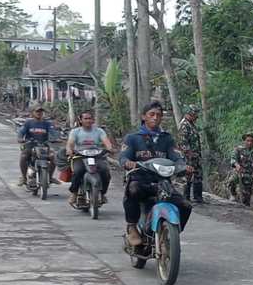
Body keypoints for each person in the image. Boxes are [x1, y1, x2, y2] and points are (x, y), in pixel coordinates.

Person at [119, 101, 192, 248]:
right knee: (133, 189)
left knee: (185, 205)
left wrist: (183, 166)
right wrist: (128, 162)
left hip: (161, 181)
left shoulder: (167, 138)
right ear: (144, 117)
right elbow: (123, 156)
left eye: (158, 115)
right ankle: (131, 227)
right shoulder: (133, 138)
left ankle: (171, 233)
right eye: (151, 114)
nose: (155, 117)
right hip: (140, 179)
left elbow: (175, 156)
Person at [65, 110, 116, 207]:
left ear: (93, 120)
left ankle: (103, 193)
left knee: (105, 171)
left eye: (90, 118)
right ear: (80, 120)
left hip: (97, 155)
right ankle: (74, 193)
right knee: (77, 171)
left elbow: (106, 142)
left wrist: (110, 148)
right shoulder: (75, 132)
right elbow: (70, 143)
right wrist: (69, 150)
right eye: (86, 118)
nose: (88, 121)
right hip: (80, 155)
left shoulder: (99, 131)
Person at [16, 104, 57, 186]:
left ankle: (50, 177)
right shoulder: (28, 123)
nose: (39, 113)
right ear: (33, 113)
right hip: (30, 146)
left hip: (44, 146)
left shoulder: (47, 123)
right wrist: (20, 138)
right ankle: (24, 178)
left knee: (53, 157)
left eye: (41, 111)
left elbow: (53, 132)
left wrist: (56, 138)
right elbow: (21, 132)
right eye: (37, 111)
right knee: (23, 156)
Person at [177, 105, 205, 204]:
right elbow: (183, 142)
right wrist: (189, 154)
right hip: (188, 156)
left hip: (195, 156)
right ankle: (186, 197)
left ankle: (198, 197)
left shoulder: (191, 124)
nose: (196, 116)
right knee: (187, 176)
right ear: (190, 113)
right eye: (195, 113)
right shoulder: (184, 125)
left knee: (198, 175)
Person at [229, 133, 253, 207]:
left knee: (246, 199)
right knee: (231, 180)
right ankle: (233, 194)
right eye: (248, 140)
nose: (249, 143)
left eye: (251, 141)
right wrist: (236, 165)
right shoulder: (238, 149)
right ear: (244, 141)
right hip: (239, 172)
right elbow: (233, 159)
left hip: (249, 176)